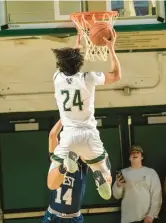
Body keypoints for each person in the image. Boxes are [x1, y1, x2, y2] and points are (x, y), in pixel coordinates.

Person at [49, 30, 121, 200]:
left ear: (61, 65)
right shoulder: (89, 77)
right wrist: (111, 48)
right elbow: (117, 75)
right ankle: (100, 176)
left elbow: (68, 65)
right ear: (79, 62)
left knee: (52, 181)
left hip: (68, 135)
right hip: (89, 134)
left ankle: (69, 160)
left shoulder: (57, 78)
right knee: (106, 172)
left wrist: (77, 44)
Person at [43, 120, 87, 223]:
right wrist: (64, 117)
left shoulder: (82, 160)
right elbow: (52, 135)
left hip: (73, 217)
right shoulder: (57, 156)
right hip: (54, 214)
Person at [112, 145, 162, 223]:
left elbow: (157, 196)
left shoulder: (151, 172)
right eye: (132, 153)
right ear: (129, 157)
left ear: (142, 157)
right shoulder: (123, 173)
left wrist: (151, 215)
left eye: (137, 152)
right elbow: (117, 196)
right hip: (127, 218)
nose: (135, 154)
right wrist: (118, 185)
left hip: (145, 219)